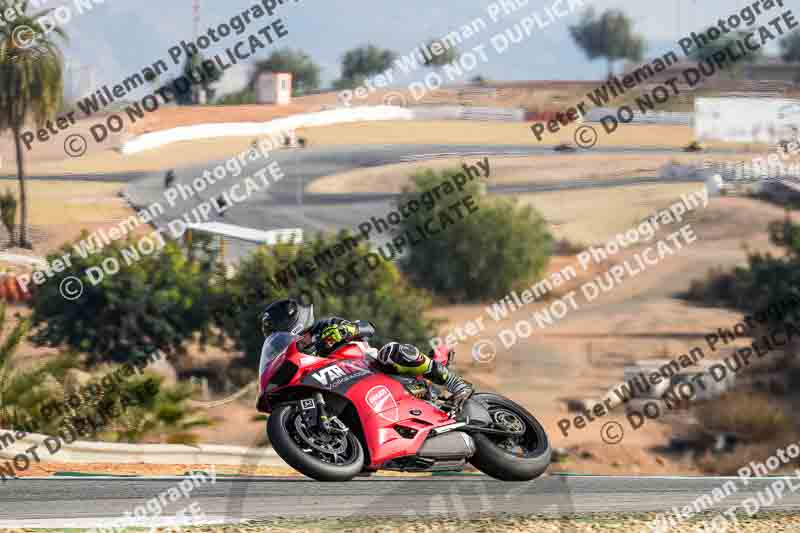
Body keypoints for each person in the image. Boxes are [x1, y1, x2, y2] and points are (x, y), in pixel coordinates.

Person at [260, 298, 473, 408]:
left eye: (275, 328)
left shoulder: (324, 325)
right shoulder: (296, 353)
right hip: (343, 386)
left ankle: (455, 383)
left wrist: (348, 329)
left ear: (289, 322)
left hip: (369, 366)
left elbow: (368, 327)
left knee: (391, 352)